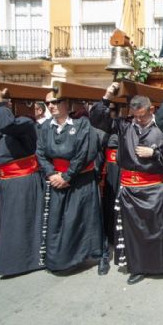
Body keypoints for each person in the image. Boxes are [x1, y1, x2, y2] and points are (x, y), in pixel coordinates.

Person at [90, 85, 163, 287]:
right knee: (134, 232)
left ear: (151, 110)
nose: (138, 120)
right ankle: (138, 267)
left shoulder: (162, 128)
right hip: (129, 190)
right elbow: (97, 120)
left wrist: (155, 154)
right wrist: (107, 96)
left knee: (161, 231)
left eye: (142, 115)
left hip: (154, 189)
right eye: (135, 116)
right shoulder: (124, 126)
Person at [36, 92, 106, 274]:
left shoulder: (82, 124)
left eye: (56, 102)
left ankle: (100, 255)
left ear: (66, 103)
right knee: (59, 221)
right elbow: (40, 153)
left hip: (80, 179)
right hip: (56, 179)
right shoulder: (45, 127)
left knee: (87, 219)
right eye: (48, 103)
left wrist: (67, 176)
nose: (51, 106)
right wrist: (52, 174)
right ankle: (63, 259)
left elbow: (84, 152)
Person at [0, 85, 44, 277]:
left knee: (24, 224)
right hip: (6, 182)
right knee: (11, 226)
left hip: (23, 180)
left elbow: (7, 125)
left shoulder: (24, 123)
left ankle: (29, 261)